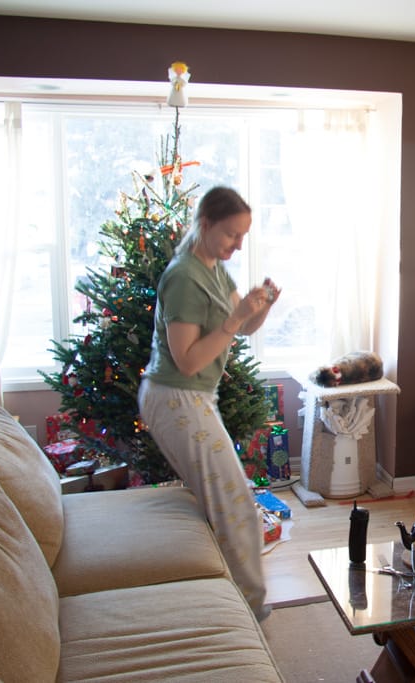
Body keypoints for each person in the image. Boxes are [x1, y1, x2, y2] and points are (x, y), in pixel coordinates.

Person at [137, 186, 280, 621]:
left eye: (243, 236)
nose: (238, 245)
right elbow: (186, 360)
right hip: (175, 396)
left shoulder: (215, 270)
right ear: (205, 225)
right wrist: (236, 319)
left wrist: (263, 306)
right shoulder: (183, 276)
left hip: (196, 397)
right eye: (231, 235)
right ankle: (249, 610)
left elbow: (243, 327)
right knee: (234, 498)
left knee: (226, 497)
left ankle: (225, 601)